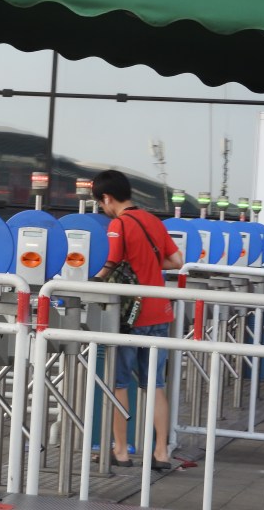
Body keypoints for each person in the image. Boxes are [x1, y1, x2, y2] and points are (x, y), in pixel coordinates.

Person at [91, 170, 183, 470]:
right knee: (155, 384)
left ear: (107, 198)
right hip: (161, 312)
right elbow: (176, 261)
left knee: (119, 383)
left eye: (101, 203)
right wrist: (147, 265)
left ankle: (121, 450)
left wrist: (93, 281)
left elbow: (112, 262)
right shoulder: (154, 221)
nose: (102, 209)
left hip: (132, 315)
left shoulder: (118, 224)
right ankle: (160, 452)